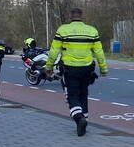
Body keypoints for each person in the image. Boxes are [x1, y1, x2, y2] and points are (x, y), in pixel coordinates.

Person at [46, 8, 108, 137]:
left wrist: (49, 67)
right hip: (87, 69)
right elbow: (99, 52)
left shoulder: (63, 30)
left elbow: (54, 51)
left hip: (70, 69)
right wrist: (103, 68)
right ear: (81, 16)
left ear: (71, 16)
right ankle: (84, 122)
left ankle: (79, 119)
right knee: (83, 94)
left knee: (72, 96)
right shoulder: (92, 30)